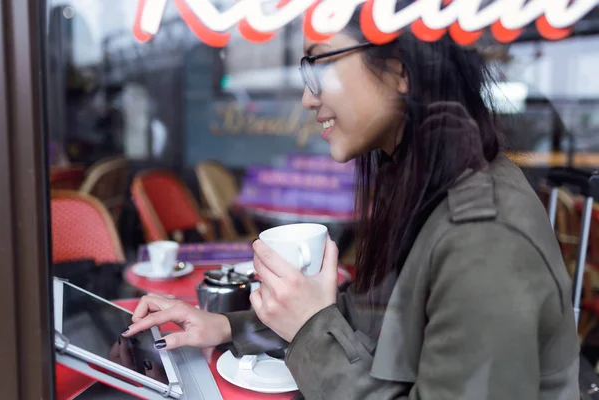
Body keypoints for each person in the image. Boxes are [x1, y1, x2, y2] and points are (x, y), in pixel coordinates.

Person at [123, 5, 579, 399]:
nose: (306, 97)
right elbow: (375, 314)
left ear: (400, 70)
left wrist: (309, 329)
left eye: (319, 67)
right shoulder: (424, 182)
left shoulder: (485, 239)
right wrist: (226, 327)